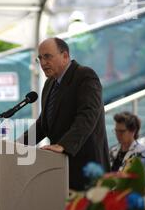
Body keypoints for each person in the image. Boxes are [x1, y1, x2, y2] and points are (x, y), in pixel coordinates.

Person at [20, 37, 110, 191]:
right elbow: (44, 124)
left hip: (87, 170)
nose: (42, 63)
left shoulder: (85, 76)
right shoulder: (50, 84)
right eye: (39, 58)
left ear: (65, 56)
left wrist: (63, 145)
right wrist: (17, 146)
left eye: (47, 57)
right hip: (61, 170)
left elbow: (88, 115)